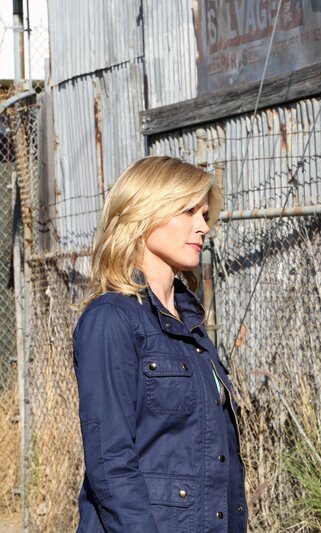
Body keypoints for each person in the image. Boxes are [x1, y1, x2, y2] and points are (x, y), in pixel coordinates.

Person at [73, 156, 247, 532]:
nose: (203, 227)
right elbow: (110, 462)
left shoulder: (191, 327)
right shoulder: (112, 319)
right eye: (188, 211)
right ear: (144, 213)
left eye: (204, 215)